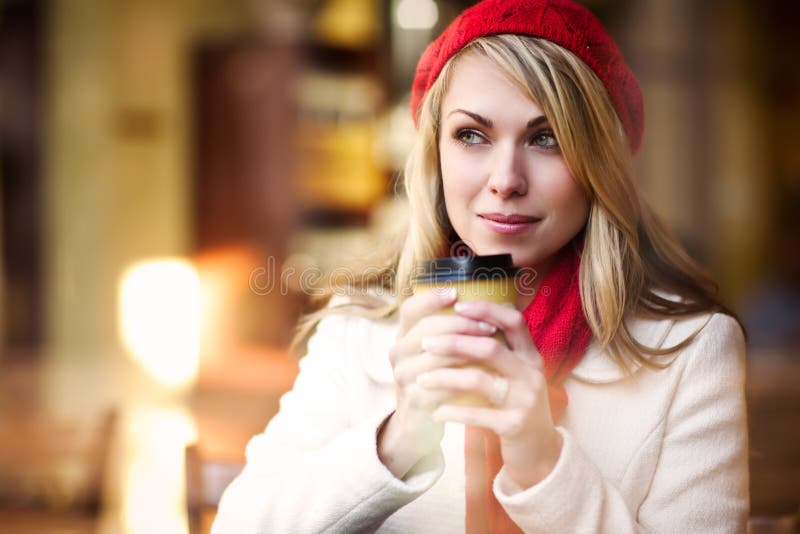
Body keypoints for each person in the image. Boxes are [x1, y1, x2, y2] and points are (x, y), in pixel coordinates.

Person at [212, 0, 749, 532]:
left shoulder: (693, 349)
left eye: (547, 138)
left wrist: (541, 462)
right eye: (472, 135)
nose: (505, 179)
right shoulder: (359, 326)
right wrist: (398, 439)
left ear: (599, 163)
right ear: (435, 153)